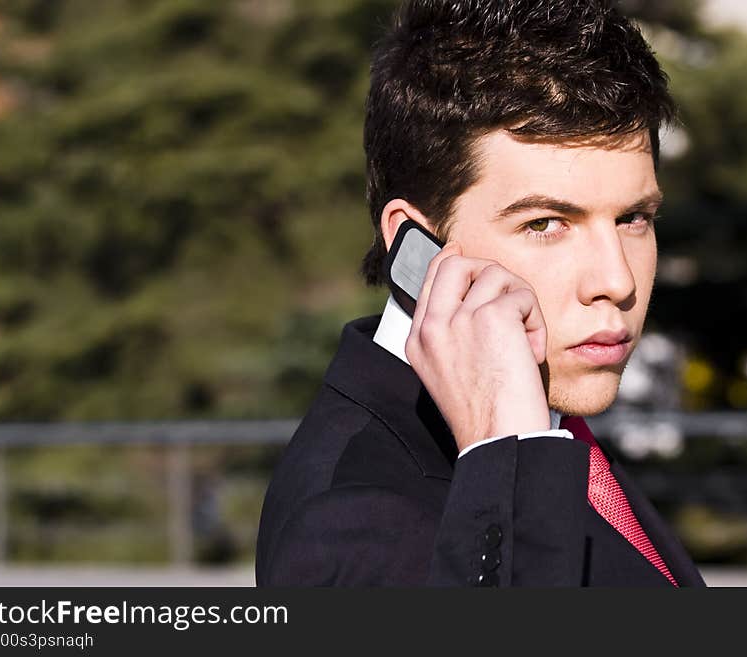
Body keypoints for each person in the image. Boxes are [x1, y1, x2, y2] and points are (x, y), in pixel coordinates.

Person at [255, 0, 706, 587]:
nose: (616, 280)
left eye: (634, 219)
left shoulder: (550, 422)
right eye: (545, 224)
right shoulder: (354, 519)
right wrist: (508, 453)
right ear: (415, 245)